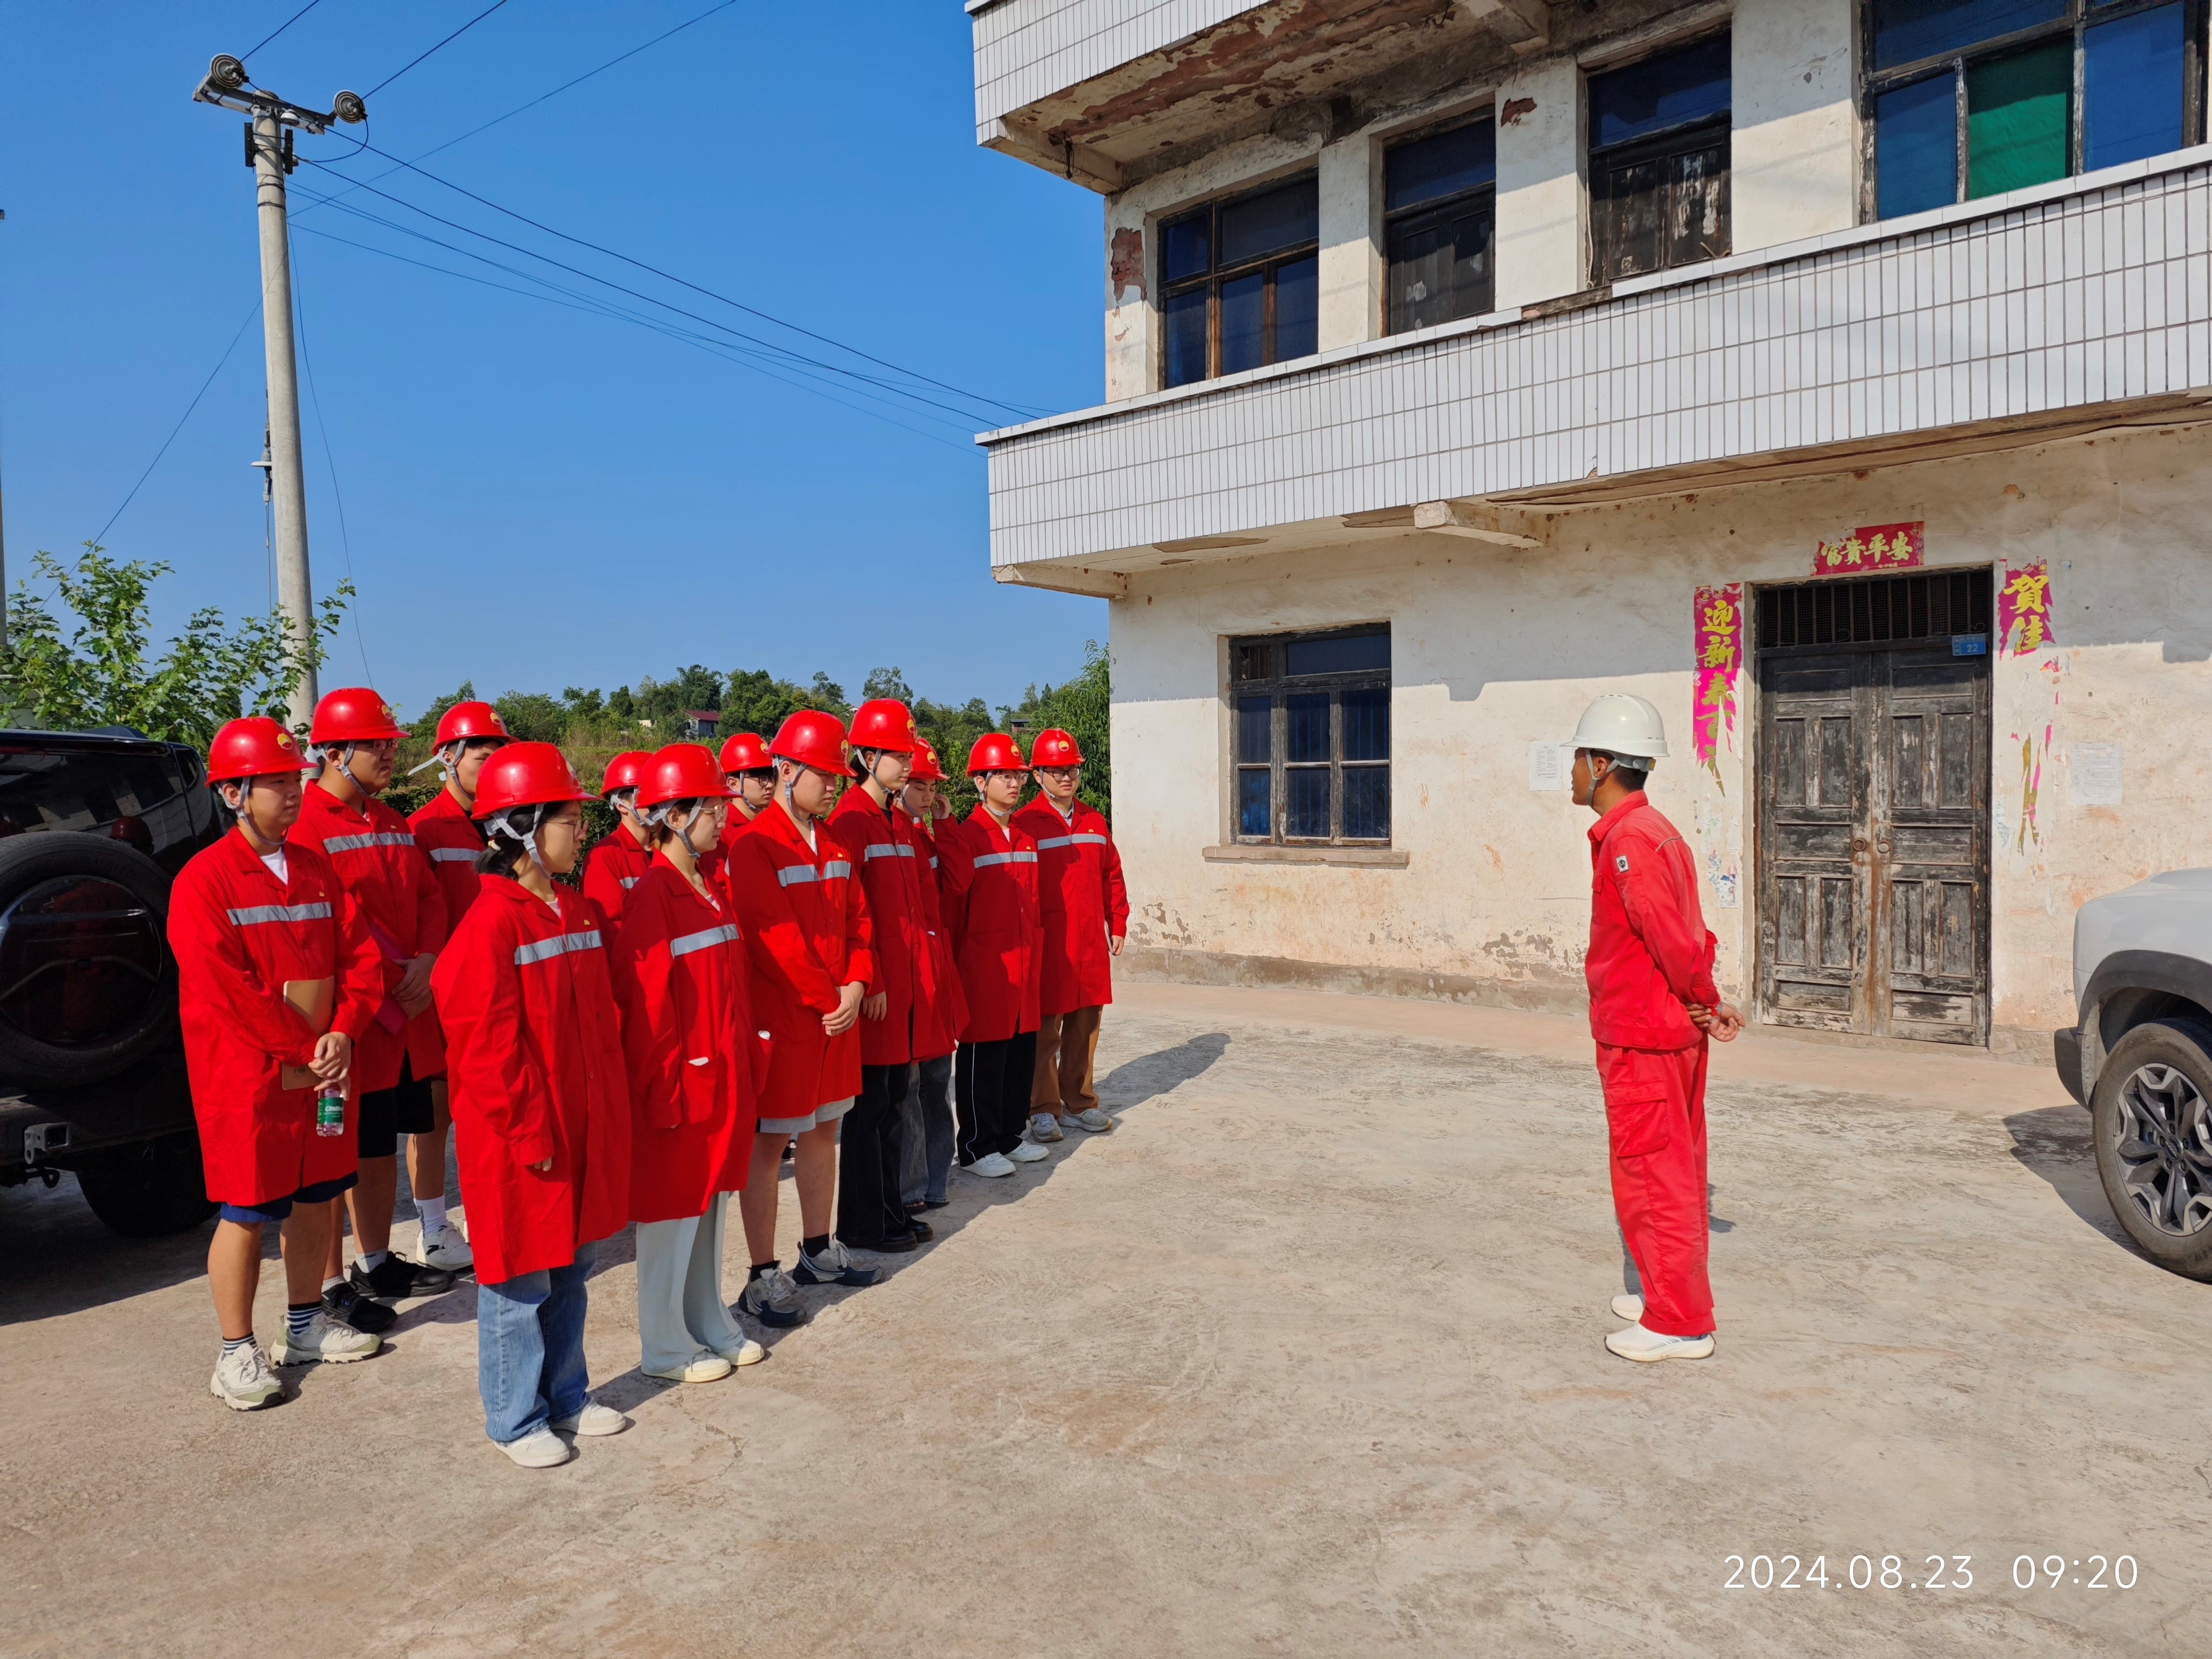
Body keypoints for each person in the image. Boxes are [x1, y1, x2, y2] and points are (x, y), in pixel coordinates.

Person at [170, 717, 386, 1407]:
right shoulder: (204, 881)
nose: (291, 794)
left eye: (294, 781)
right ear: (233, 793)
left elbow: (360, 957)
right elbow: (226, 988)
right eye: (274, 783)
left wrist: (345, 1032)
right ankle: (236, 1351)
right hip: (250, 1077)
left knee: (320, 1195)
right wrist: (307, 1047)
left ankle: (304, 1326)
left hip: (322, 1070)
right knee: (247, 1208)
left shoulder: (317, 869)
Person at [433, 743, 634, 1467]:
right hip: (524, 1138)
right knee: (519, 1283)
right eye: (568, 819)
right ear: (521, 826)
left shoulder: (572, 910)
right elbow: (484, 1048)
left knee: (571, 1270)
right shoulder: (491, 925)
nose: (581, 832)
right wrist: (529, 1128)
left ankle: (568, 1397)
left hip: (577, 1128)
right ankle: (516, 1421)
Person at [1568, 693, 1742, 1365]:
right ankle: (1665, 1293)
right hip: (1665, 1026)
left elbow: (1668, 937)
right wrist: (1702, 1000)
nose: (1574, 772)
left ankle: (1678, 1323)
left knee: (1652, 1174)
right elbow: (1691, 929)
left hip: (1643, 1032)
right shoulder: (1655, 831)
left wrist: (1703, 996)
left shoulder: (1629, 842)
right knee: (1670, 1168)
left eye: (1580, 758)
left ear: (1604, 763)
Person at [291, 688, 456, 1329]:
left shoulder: (389, 821)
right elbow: (340, 923)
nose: (390, 755)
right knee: (336, 1156)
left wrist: (428, 960)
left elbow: (430, 898)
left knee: (380, 1146)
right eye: (377, 746)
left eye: (391, 744)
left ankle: (378, 1259)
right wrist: (397, 974)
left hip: (406, 1018)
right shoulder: (309, 826)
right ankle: (330, 1282)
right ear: (334, 752)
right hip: (355, 1025)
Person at [612, 743, 766, 1385]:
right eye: (710, 808)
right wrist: (664, 1087)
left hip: (719, 1074)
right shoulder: (654, 894)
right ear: (675, 817)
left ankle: (706, 1319)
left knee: (710, 1206)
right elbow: (645, 1007)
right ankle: (664, 1344)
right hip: (681, 1082)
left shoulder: (705, 885)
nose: (722, 818)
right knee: (672, 1217)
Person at [724, 710, 878, 1326]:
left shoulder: (835, 843)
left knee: (823, 1133)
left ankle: (818, 1249)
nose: (836, 783)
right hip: (788, 1020)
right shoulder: (753, 846)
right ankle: (762, 1274)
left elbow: (859, 923)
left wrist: (859, 982)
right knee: (769, 1143)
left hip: (834, 1017)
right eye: (825, 773)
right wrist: (832, 998)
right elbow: (774, 939)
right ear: (787, 771)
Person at [405, 698, 512, 1270]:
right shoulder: (424, 828)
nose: (492, 761)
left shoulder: (509, 822)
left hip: (499, 991)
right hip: (442, 994)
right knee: (436, 1113)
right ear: (448, 758)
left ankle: (484, 1214)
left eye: (499, 752)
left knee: (490, 1108)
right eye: (481, 751)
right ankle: (432, 1227)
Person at [826, 699, 927, 1256]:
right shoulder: (850, 822)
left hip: (903, 986)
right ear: (866, 756)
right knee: (869, 1113)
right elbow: (851, 914)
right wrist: (872, 980)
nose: (907, 764)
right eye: (897, 755)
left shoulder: (896, 820)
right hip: (876, 992)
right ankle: (865, 1223)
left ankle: (891, 1210)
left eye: (909, 754)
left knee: (893, 1103)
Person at [940, 732, 1047, 1178]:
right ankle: (976, 1146)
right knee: (984, 1056)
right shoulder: (967, 837)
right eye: (1002, 775)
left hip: (1023, 963)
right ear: (980, 782)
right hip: (984, 964)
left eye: (1017, 775)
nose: (1013, 783)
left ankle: (1008, 1136)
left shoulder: (1024, 836)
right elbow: (952, 912)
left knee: (1020, 1051)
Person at [1013, 729, 1128, 1142]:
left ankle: (1079, 1102)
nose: (1067, 779)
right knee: (1046, 1030)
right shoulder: (1024, 825)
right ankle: (1043, 1109)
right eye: (1057, 772)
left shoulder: (1095, 821)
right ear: (1038, 775)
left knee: (1086, 1024)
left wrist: (1118, 921)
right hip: (1049, 942)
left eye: (1072, 771)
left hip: (1089, 943)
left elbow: (1111, 875)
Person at [894, 738, 965, 1217]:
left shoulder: (925, 836)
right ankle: (912, 1185)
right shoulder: (890, 834)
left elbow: (959, 883)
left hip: (937, 975)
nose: (925, 793)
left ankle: (937, 1178)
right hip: (910, 977)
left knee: (938, 1086)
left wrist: (945, 822)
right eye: (917, 784)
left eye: (931, 786)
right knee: (910, 1092)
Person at [581, 751, 654, 927]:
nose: (658, 802)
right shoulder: (605, 857)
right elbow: (610, 929)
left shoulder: (670, 847)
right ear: (622, 805)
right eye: (648, 794)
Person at [720, 731, 776, 828]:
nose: (770, 785)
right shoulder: (722, 831)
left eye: (772, 777)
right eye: (761, 779)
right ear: (734, 784)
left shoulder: (774, 824)